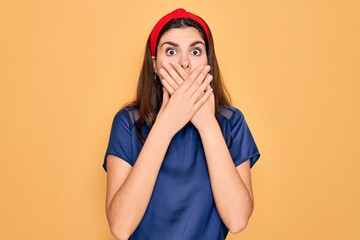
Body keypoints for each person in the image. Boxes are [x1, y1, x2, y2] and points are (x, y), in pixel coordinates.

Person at [103, 8, 260, 240]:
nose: (184, 63)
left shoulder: (231, 122)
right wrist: (166, 123)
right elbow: (120, 227)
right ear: (155, 65)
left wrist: (207, 124)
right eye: (171, 51)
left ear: (208, 62)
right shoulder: (128, 122)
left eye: (195, 51)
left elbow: (237, 220)